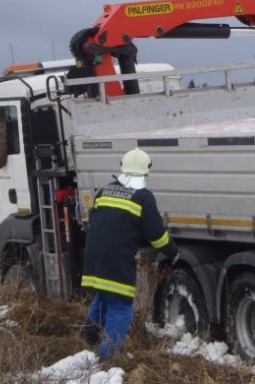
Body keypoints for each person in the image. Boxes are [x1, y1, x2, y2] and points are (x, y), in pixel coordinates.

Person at [80, 147, 178, 361]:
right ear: (145, 172)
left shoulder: (104, 190)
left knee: (104, 298)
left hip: (94, 258)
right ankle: (106, 359)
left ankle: (87, 340)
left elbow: (97, 221)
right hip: (116, 261)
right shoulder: (143, 196)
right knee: (122, 310)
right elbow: (156, 235)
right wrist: (172, 252)